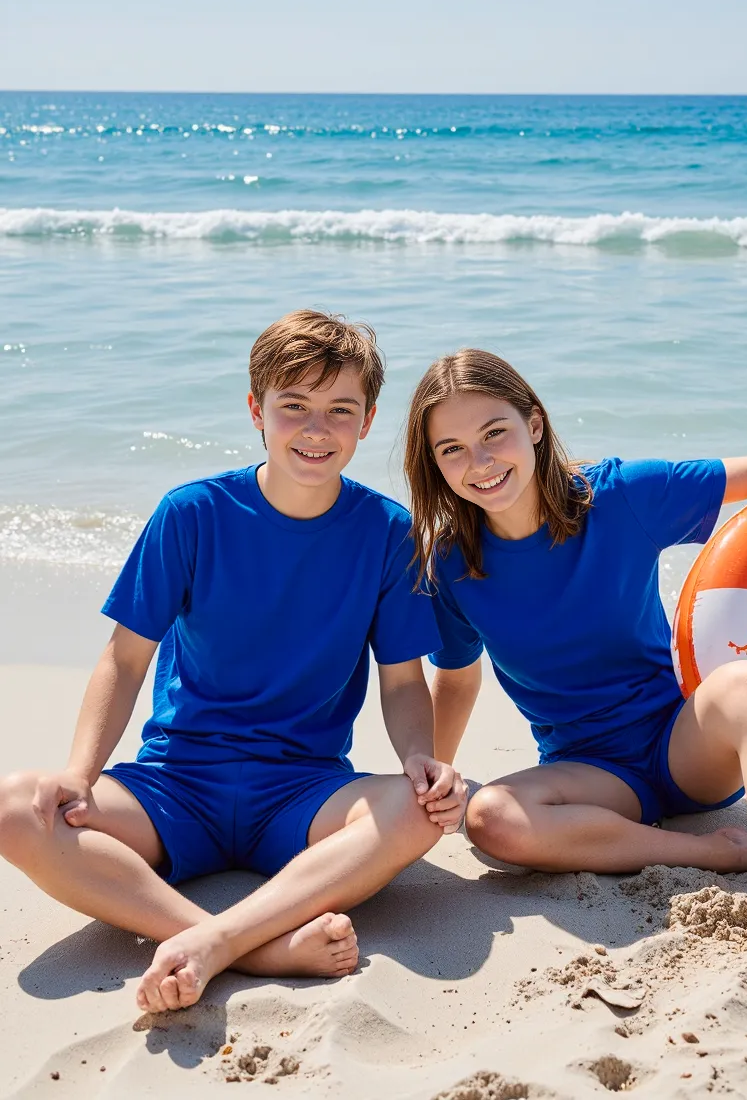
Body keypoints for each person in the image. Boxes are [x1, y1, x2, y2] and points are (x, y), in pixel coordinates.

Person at [403, 346, 747, 1026]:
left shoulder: (617, 498)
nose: (480, 463)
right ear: (432, 463)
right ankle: (719, 855)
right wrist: (432, 788)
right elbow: (455, 679)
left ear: (535, 425)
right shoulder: (452, 565)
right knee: (489, 820)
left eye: (495, 433)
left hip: (682, 746)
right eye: (452, 449)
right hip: (592, 774)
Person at [0, 310, 467, 1015]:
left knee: (416, 812)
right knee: (15, 809)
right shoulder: (192, 513)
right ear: (257, 410)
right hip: (174, 785)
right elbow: (124, 661)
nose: (316, 430)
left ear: (367, 421)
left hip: (302, 792)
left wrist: (417, 761)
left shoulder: (387, 531)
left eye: (340, 410)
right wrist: (79, 774)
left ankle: (219, 941)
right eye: (294, 408)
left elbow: (402, 681)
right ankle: (245, 945)